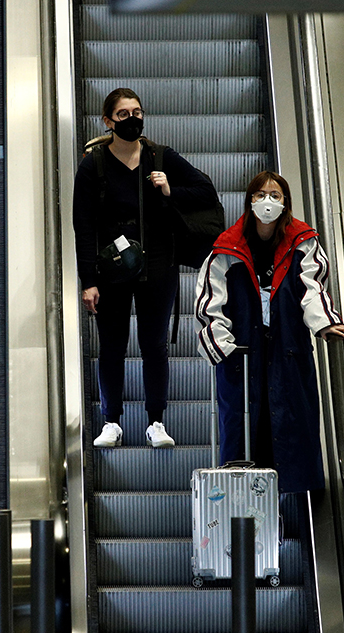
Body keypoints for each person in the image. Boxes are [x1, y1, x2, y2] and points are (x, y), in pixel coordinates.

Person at [74, 87, 218, 448]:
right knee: (112, 346)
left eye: (137, 112)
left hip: (158, 262)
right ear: (107, 121)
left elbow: (205, 191)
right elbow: (83, 225)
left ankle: (156, 422)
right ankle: (111, 422)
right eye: (123, 114)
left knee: (155, 345)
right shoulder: (94, 164)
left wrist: (170, 190)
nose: (132, 119)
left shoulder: (160, 156)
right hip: (112, 266)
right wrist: (88, 280)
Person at [193, 171, 344, 492]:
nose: (267, 202)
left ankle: (287, 504)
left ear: (285, 203)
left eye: (275, 196)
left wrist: (325, 322)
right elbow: (210, 302)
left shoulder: (301, 242)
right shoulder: (227, 248)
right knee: (244, 430)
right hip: (242, 356)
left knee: (291, 426)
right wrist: (221, 345)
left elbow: (312, 286)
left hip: (287, 349)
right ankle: (245, 508)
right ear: (249, 201)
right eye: (260, 195)